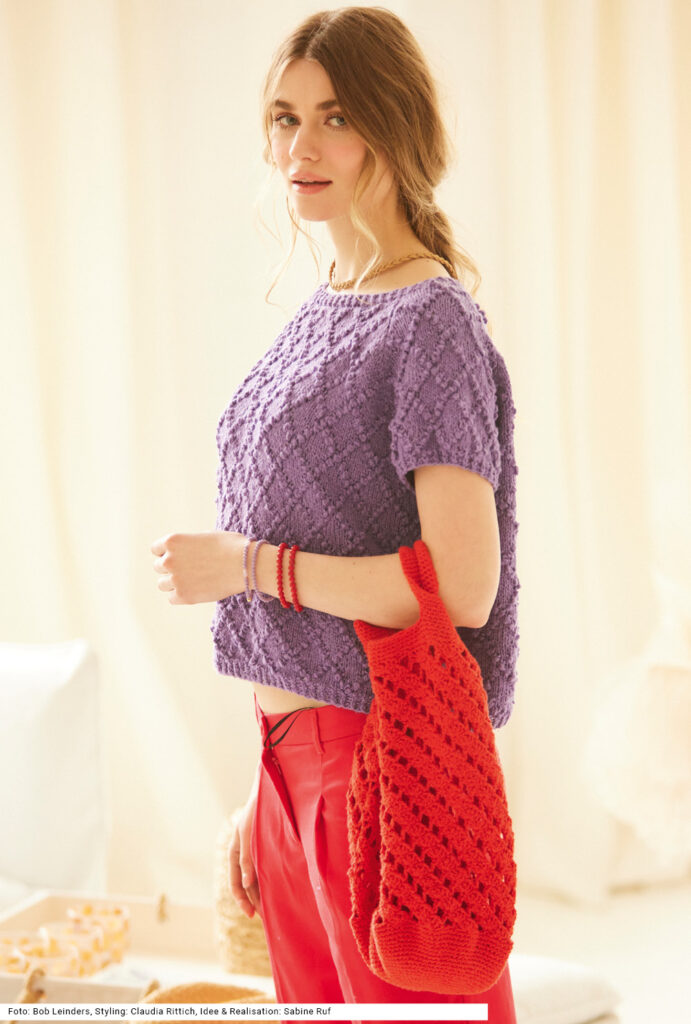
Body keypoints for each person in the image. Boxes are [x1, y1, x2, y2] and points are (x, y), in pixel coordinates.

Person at [152, 6, 519, 1020]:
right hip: (296, 771)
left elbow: (463, 585)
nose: (299, 148)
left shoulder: (430, 320)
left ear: (394, 127)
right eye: (285, 117)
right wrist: (267, 784)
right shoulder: (327, 304)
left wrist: (246, 566)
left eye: (335, 117)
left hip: (382, 773)